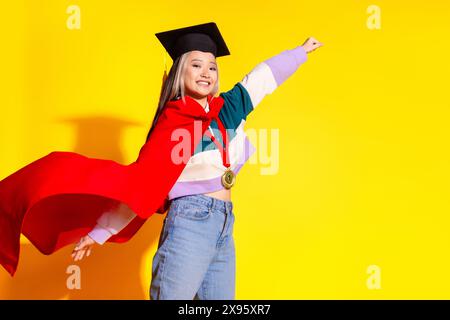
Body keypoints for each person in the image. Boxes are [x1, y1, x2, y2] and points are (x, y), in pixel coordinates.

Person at [70, 22, 323, 299]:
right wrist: (100, 232)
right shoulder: (172, 123)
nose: (206, 73)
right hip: (189, 222)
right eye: (196, 65)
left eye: (212, 67)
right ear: (180, 71)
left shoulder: (225, 110)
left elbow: (260, 80)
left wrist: (299, 53)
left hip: (225, 224)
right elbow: (143, 185)